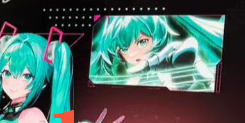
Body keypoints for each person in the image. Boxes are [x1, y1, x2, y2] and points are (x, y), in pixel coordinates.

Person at [90, 15, 224, 92]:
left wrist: (152, 64)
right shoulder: (130, 81)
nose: (135, 53)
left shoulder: (170, 53)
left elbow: (191, 44)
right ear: (118, 53)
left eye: (142, 42)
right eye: (125, 48)